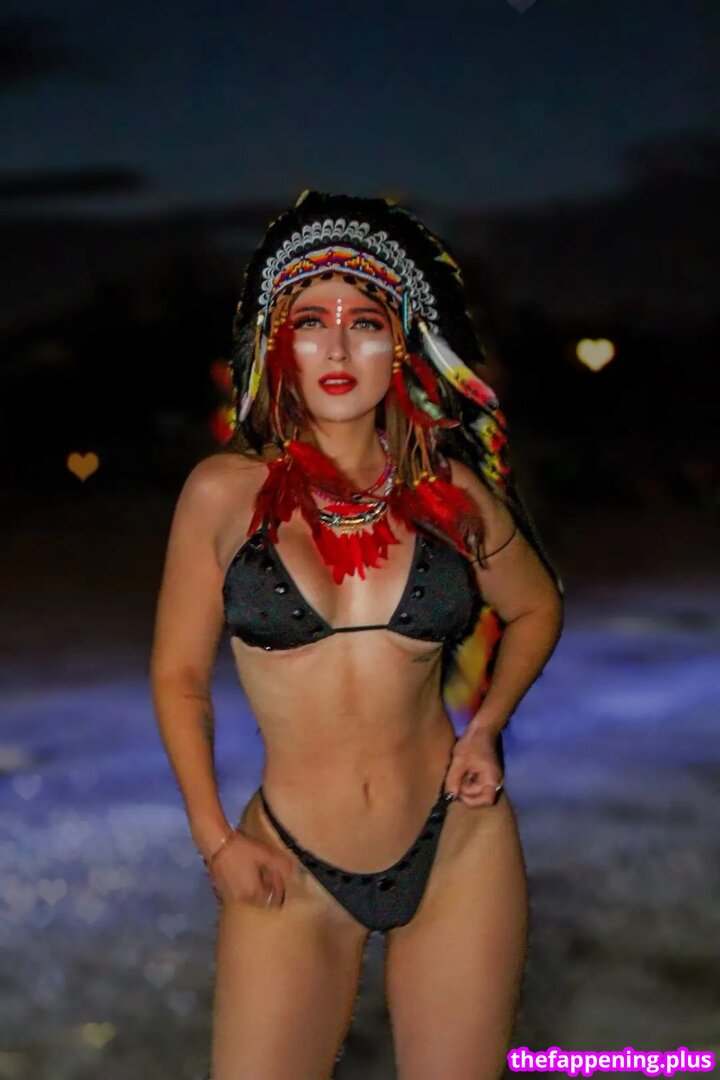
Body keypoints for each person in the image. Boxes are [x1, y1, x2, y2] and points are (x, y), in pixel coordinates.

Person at [150, 190, 564, 1080]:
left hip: (458, 846)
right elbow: (179, 677)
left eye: (365, 323)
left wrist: (487, 727)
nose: (337, 349)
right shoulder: (221, 495)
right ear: (278, 343)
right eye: (311, 322)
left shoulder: (451, 492)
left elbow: (536, 607)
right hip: (290, 862)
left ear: (400, 344)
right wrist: (215, 839)